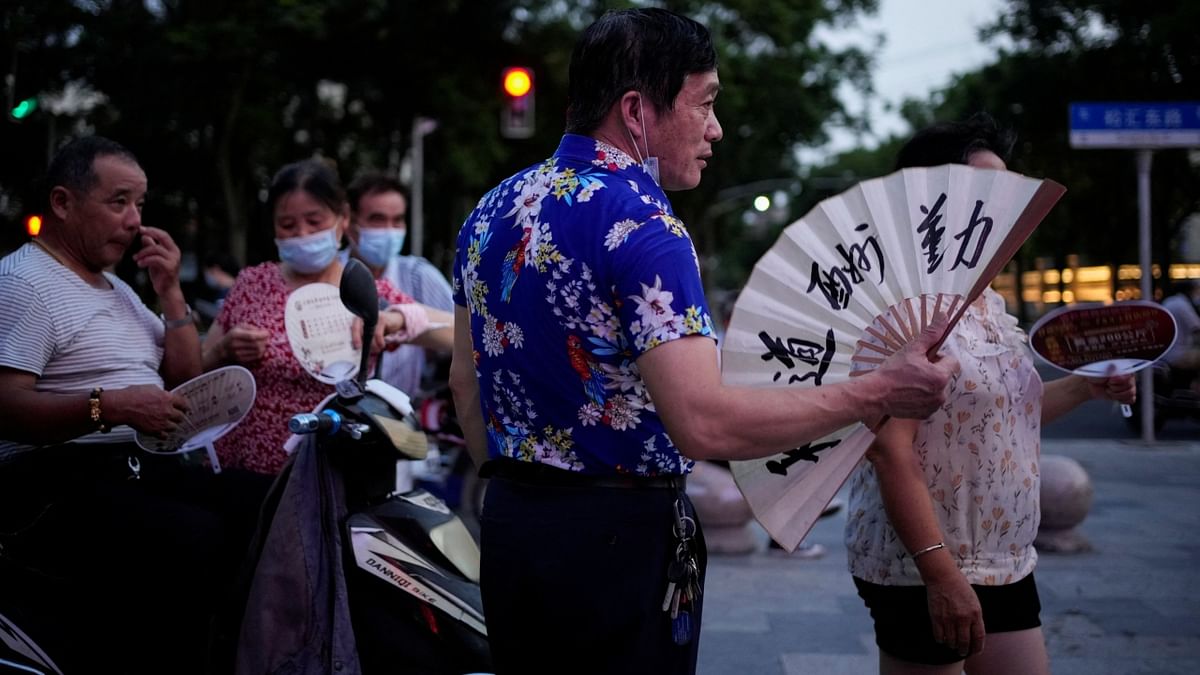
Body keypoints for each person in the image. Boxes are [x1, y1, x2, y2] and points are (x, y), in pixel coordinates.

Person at [448, 9, 959, 674]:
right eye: (705, 102)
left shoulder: (491, 211)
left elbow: (466, 384)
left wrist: (525, 487)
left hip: (512, 525)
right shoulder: (644, 226)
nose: (715, 128)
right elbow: (702, 423)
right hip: (617, 541)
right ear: (637, 110)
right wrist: (877, 391)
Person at [843, 114, 1138, 675]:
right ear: (931, 200)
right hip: (924, 565)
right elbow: (888, 448)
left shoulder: (988, 306)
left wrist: (1083, 387)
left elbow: (1002, 419)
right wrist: (941, 575)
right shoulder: (907, 306)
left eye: (1009, 188)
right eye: (985, 189)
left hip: (1005, 562)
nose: (1003, 206)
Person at [0, 136, 268, 674]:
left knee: (262, 501)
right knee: (195, 538)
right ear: (62, 202)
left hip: (141, 464)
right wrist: (112, 407)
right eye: (118, 201)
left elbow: (186, 377)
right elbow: (7, 405)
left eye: (140, 204)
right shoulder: (25, 282)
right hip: (54, 480)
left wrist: (168, 290)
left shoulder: (116, 288)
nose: (134, 221)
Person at [201, 159, 452, 476]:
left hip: (332, 474)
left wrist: (396, 319)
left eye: (314, 222)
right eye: (288, 225)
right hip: (248, 472)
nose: (302, 234)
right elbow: (194, 372)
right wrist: (223, 352)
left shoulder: (365, 291)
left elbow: (458, 331)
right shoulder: (253, 284)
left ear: (343, 219)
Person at [346, 172, 454, 396]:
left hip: (402, 417)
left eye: (397, 220)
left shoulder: (417, 275)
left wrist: (407, 323)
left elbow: (467, 333)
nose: (389, 229)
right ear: (349, 222)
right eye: (377, 219)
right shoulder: (328, 277)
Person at [1162, 279, 1200, 390]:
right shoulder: (1182, 304)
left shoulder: (1169, 301)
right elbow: (1197, 328)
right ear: (1189, 291)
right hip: (1178, 355)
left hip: (1166, 354)